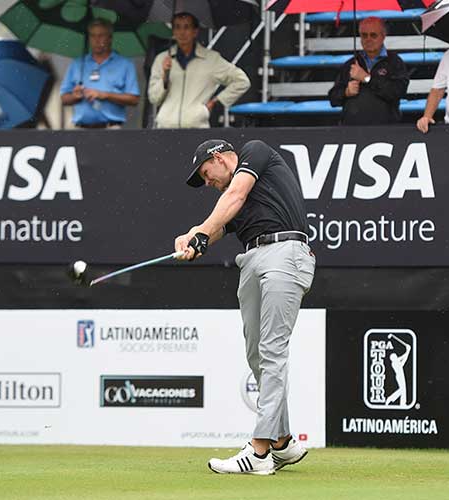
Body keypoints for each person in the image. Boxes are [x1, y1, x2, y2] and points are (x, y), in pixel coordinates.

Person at [174, 139, 315, 475]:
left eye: (207, 175)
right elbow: (223, 223)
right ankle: (282, 442)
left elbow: (234, 195)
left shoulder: (255, 151)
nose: (208, 183)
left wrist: (202, 233)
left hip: (285, 252)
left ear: (219, 157)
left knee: (272, 351)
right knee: (256, 355)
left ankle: (260, 451)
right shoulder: (238, 199)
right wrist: (194, 235)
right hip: (251, 258)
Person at [148, 12, 251, 129]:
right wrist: (165, 75)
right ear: (173, 31)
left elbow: (242, 81)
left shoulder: (211, 59)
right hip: (165, 126)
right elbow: (154, 98)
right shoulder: (162, 59)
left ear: (195, 31)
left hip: (197, 127)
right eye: (177, 27)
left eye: (186, 27)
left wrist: (212, 104)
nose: (182, 32)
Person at [60, 18, 141, 129]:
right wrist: (75, 96)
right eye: (92, 36)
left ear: (110, 38)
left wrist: (105, 95)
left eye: (101, 35)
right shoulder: (77, 63)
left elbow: (134, 99)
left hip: (111, 128)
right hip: (81, 129)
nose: (96, 40)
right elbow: (64, 98)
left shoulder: (125, 64)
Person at [327, 17, 409, 126]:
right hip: (352, 130)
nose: (368, 39)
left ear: (383, 36)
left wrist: (367, 78)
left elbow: (398, 92)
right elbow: (333, 98)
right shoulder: (351, 64)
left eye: (373, 35)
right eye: (364, 35)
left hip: (387, 130)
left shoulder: (395, 62)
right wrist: (346, 92)